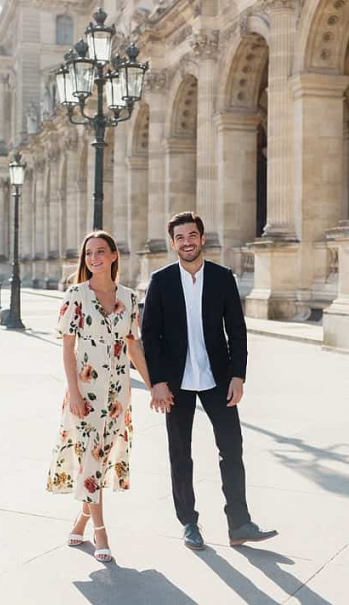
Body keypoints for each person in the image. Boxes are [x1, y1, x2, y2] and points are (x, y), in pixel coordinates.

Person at [141, 211, 278, 550]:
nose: (187, 242)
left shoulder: (222, 277)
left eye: (192, 235)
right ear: (173, 243)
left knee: (232, 449)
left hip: (218, 378)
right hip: (175, 382)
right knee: (180, 454)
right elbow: (149, 335)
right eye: (180, 237)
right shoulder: (161, 281)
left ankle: (239, 522)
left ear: (202, 238)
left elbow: (237, 330)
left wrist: (238, 375)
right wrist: (156, 381)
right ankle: (189, 522)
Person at [46, 231, 152, 563]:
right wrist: (74, 392)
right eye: (89, 253)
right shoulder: (75, 295)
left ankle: (80, 519)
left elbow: (133, 345)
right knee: (89, 457)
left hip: (118, 391)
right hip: (85, 392)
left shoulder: (129, 297)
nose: (94, 258)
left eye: (100, 252)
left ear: (113, 255)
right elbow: (67, 349)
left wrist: (153, 385)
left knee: (103, 458)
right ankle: (101, 531)